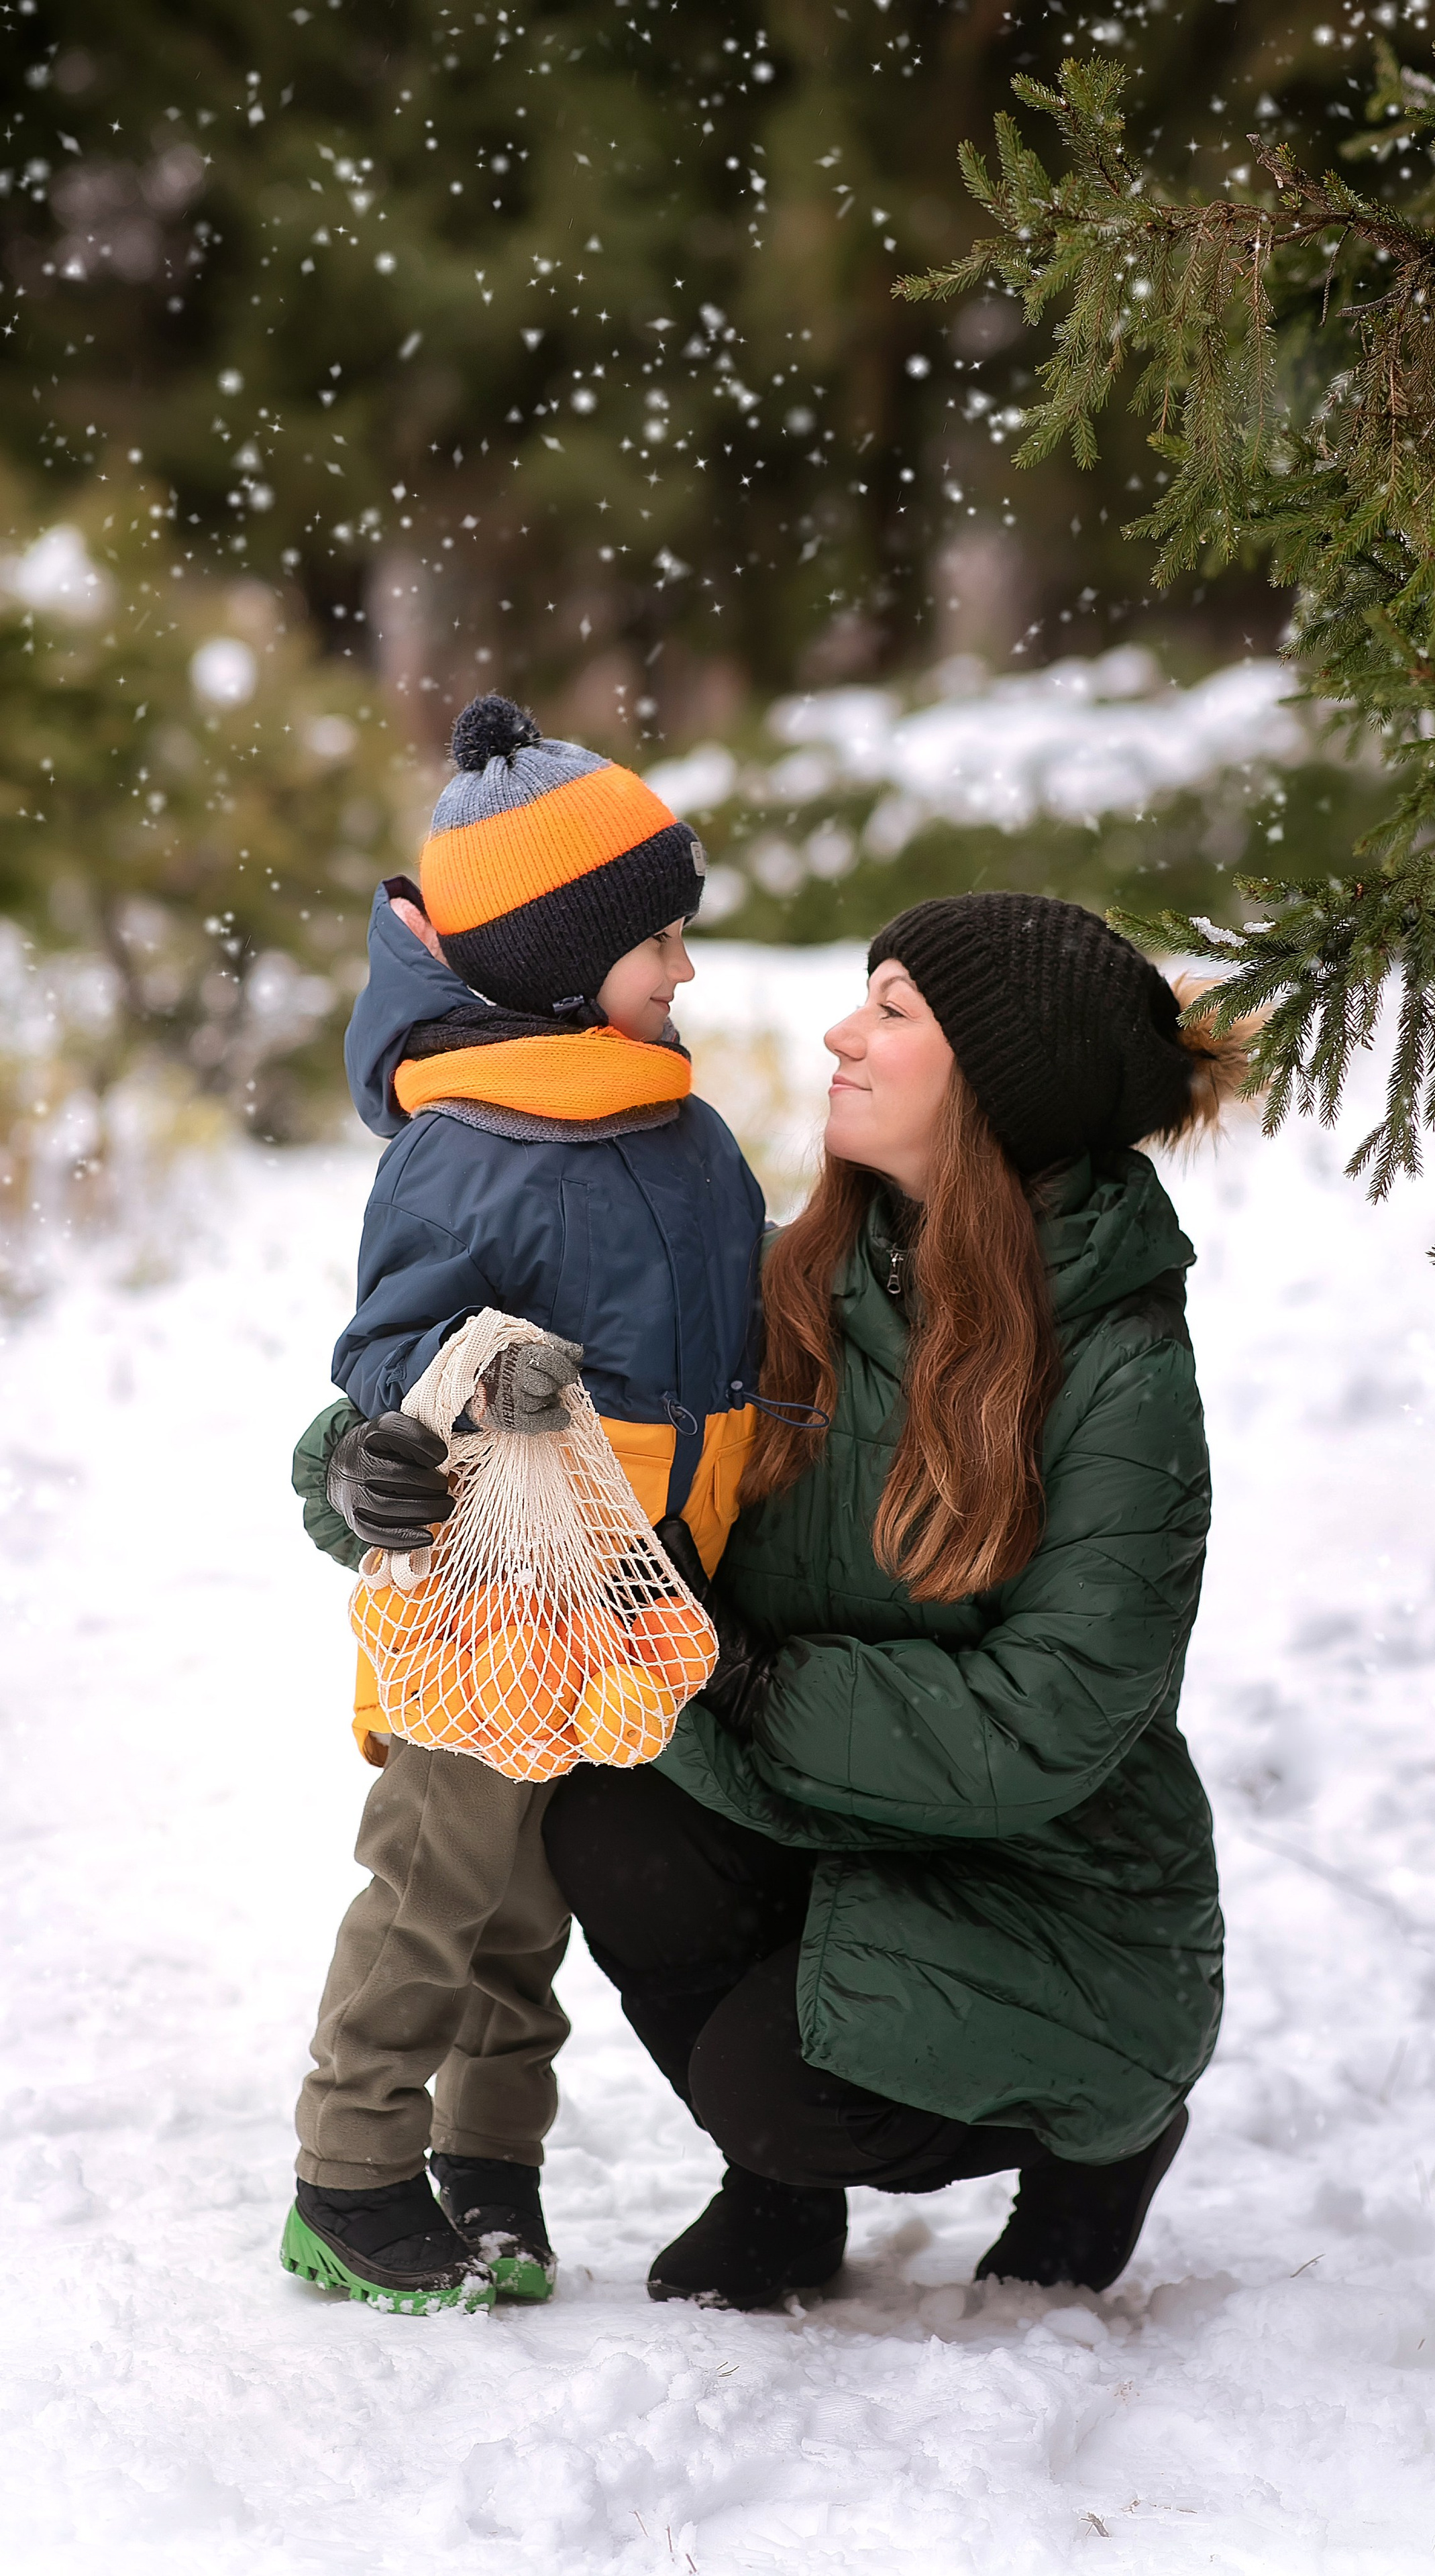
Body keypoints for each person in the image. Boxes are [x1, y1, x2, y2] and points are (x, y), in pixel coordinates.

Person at [540, 891, 1240, 2310]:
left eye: (892, 1011)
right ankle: (780, 2202)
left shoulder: (1117, 1369)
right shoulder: (794, 1278)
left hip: (1060, 1894)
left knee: (769, 2077)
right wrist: (376, 1466)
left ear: (992, 1085)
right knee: (611, 1818)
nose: (838, 1033)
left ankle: (1103, 2137)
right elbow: (549, 1409)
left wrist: (747, 1683)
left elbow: (1042, 1722)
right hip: (834, 1820)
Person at [281, 693, 763, 2314]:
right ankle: (348, 2176)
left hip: (629, 1594)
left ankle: (492, 2162)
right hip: (496, 1579)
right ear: (568, 958)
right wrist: (474, 1380)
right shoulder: (469, 1146)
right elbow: (388, 1348)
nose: (683, 970)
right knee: (434, 1887)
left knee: (528, 1907)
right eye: (661, 941)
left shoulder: (677, 1124)